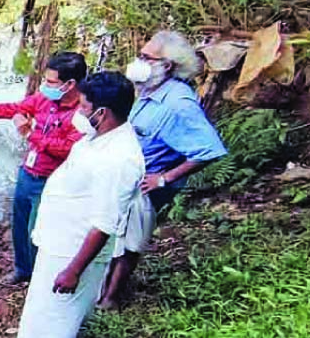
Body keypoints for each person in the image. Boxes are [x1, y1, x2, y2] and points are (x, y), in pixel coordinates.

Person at [0, 71, 147, 338]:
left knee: (56, 311)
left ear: (102, 113)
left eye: (82, 106)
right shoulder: (101, 138)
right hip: (59, 239)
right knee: (44, 305)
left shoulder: (120, 160)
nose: (78, 112)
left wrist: (74, 270)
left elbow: (105, 222)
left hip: (73, 250)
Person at [98, 30, 228, 310]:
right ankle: (102, 285)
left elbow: (209, 150)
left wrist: (164, 179)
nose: (139, 61)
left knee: (130, 239)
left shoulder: (177, 103)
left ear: (167, 65)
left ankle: (111, 297)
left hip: (146, 184)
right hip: (126, 176)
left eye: (146, 57)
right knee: (112, 232)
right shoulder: (149, 87)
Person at [0, 52, 87, 286]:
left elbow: (68, 149)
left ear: (70, 84)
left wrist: (29, 133)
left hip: (52, 180)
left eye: (51, 82)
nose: (45, 86)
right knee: (20, 223)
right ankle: (23, 270)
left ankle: (42, 277)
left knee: (38, 231)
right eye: (45, 80)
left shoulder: (82, 113)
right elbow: (11, 109)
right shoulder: (43, 100)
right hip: (29, 173)